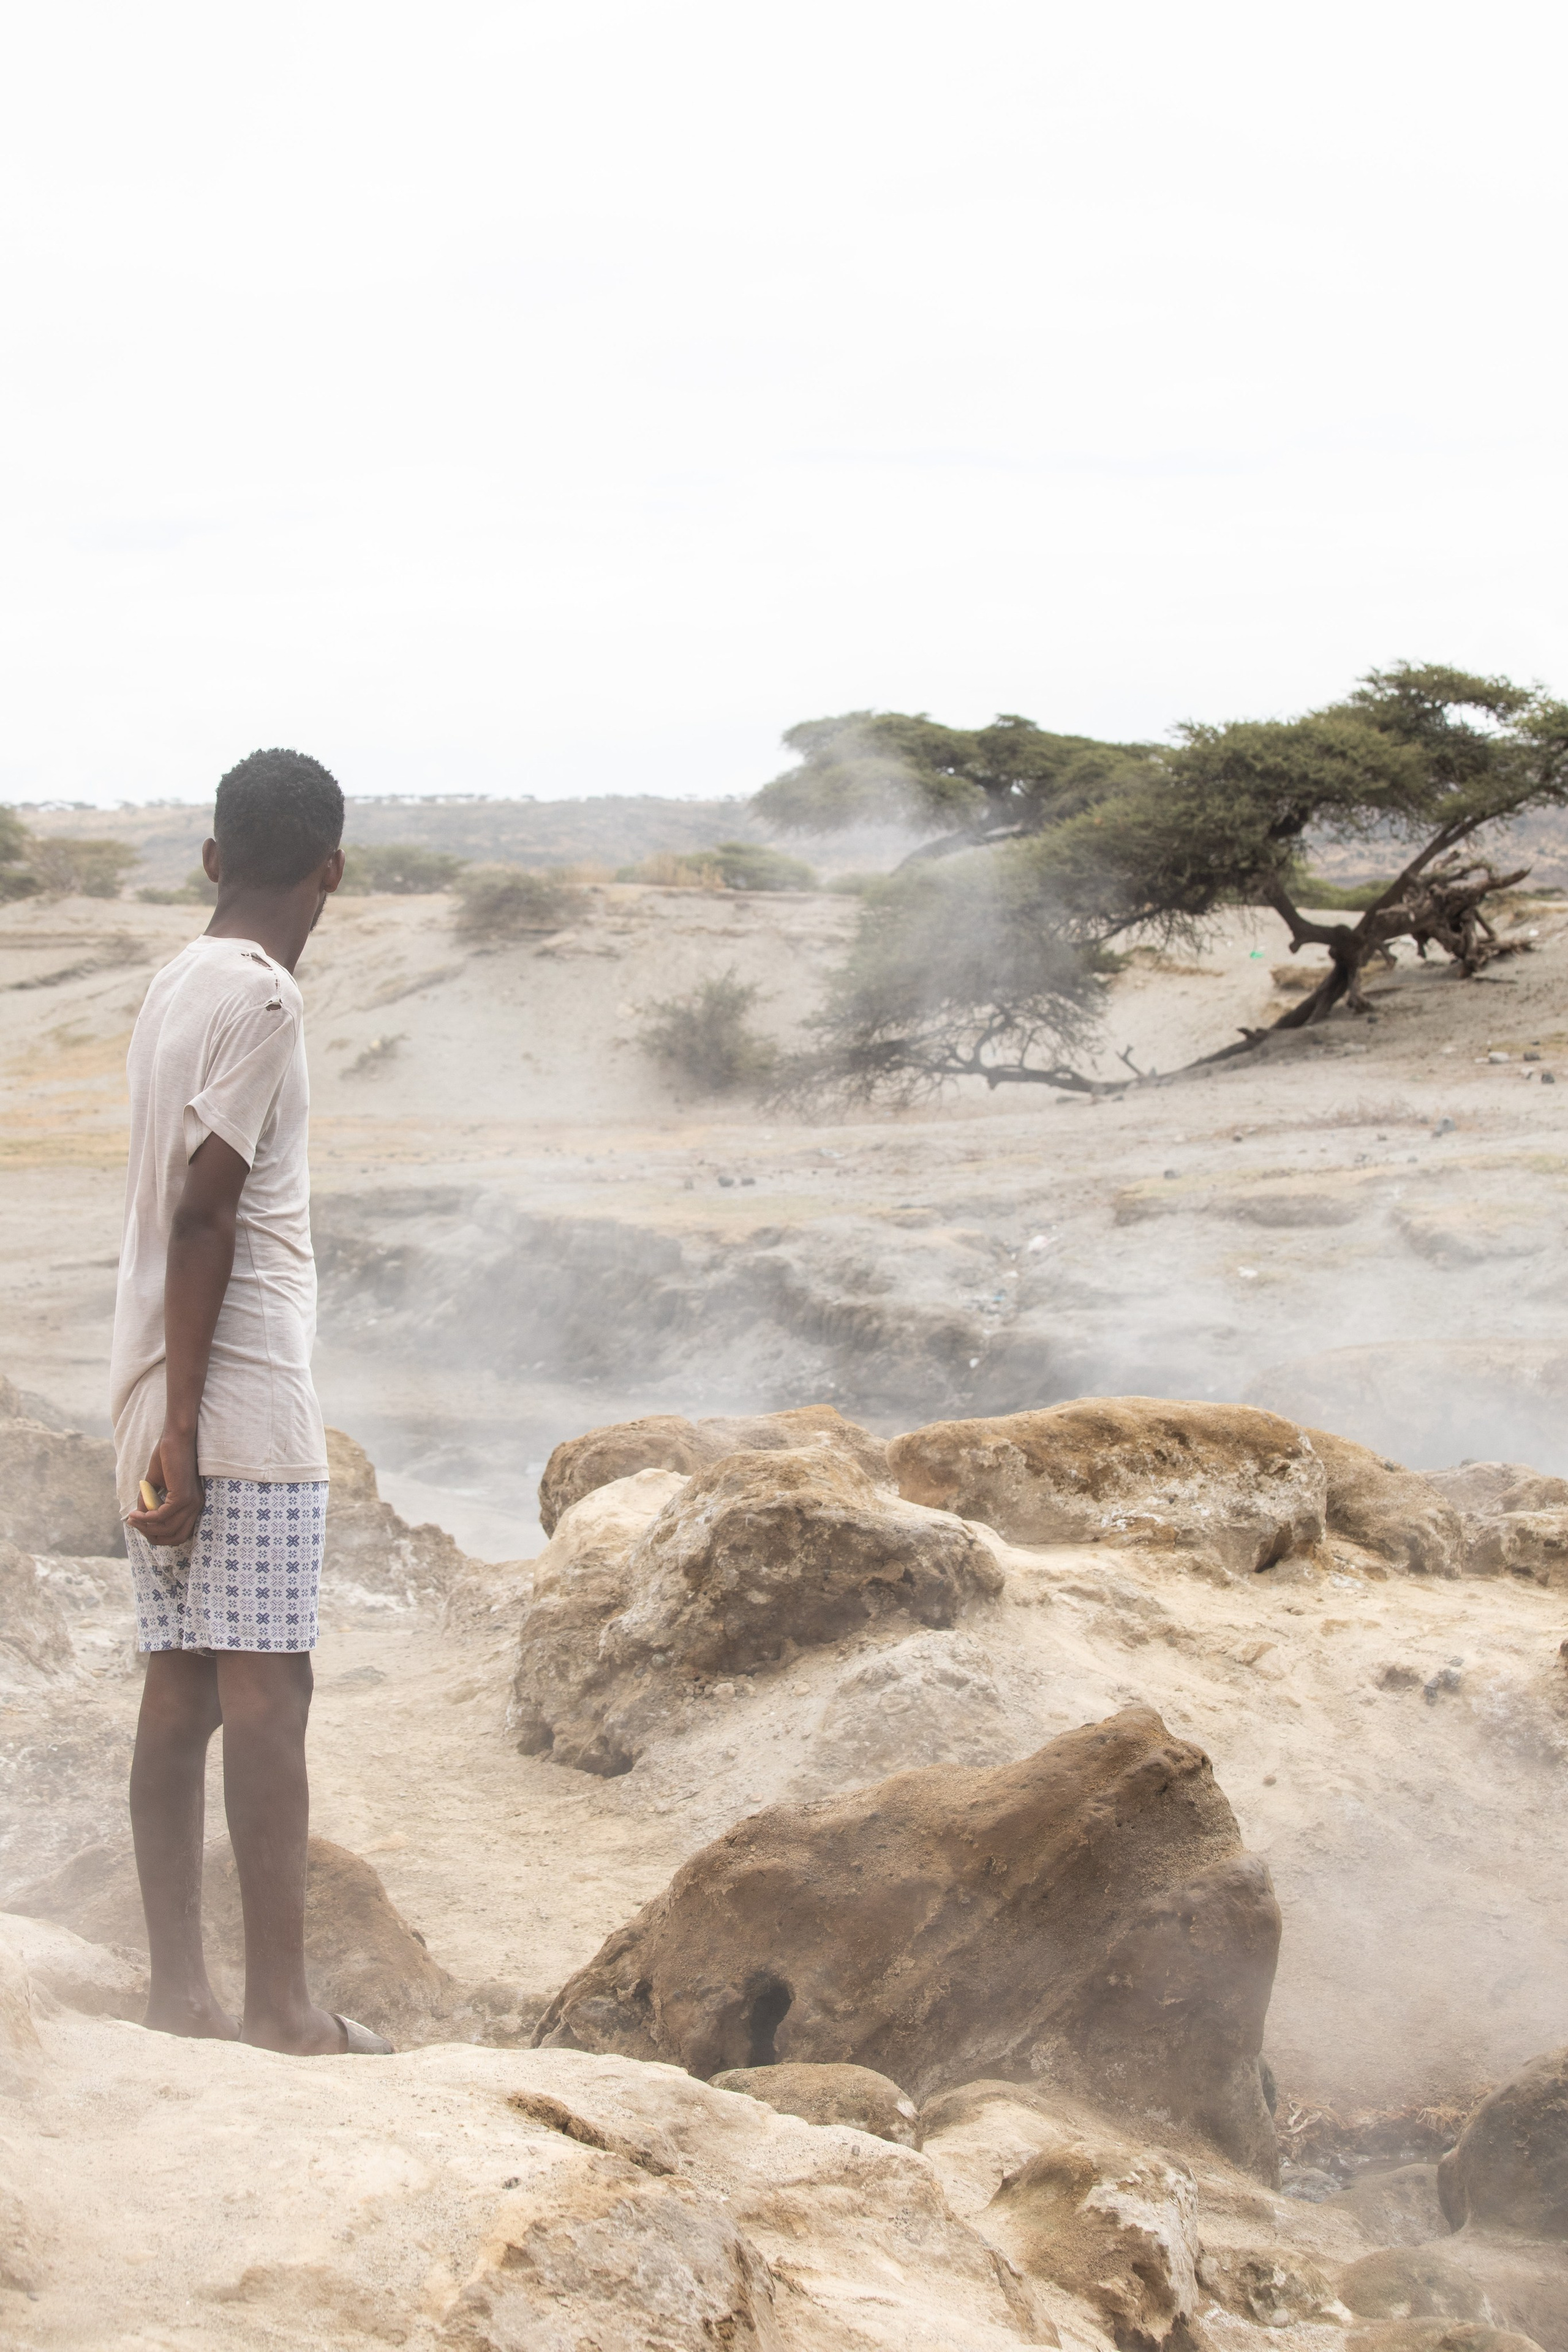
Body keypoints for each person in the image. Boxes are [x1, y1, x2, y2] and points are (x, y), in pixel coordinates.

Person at [115, 748, 388, 2056]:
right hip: (239, 1399)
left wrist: (158, 1414)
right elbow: (204, 1210)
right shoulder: (267, 999)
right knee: (269, 1689)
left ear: (216, 861)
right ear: (329, 872)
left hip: (155, 1379)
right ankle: (282, 2011)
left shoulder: (176, 980)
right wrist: (192, 1426)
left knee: (179, 1690)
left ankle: (180, 1997)